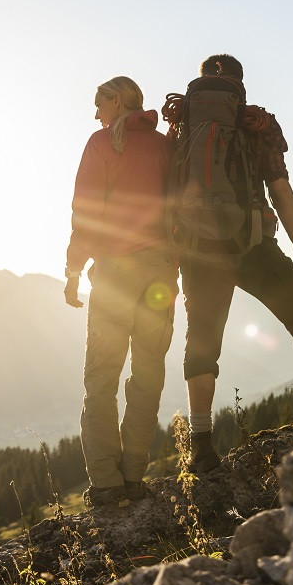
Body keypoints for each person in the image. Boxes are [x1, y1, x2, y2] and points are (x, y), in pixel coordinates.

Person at [170, 55, 293, 474]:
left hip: (199, 249)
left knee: (201, 338)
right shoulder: (257, 124)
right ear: (240, 86)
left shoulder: (185, 121)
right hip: (254, 244)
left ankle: (201, 444)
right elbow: (279, 187)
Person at [65, 76, 178, 507]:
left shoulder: (100, 143)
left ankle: (107, 484)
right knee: (148, 375)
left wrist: (73, 268)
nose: (95, 113)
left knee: (101, 379)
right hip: (161, 274)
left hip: (114, 272)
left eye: (98, 103)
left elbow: (86, 209)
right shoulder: (166, 146)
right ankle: (134, 476)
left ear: (115, 100)